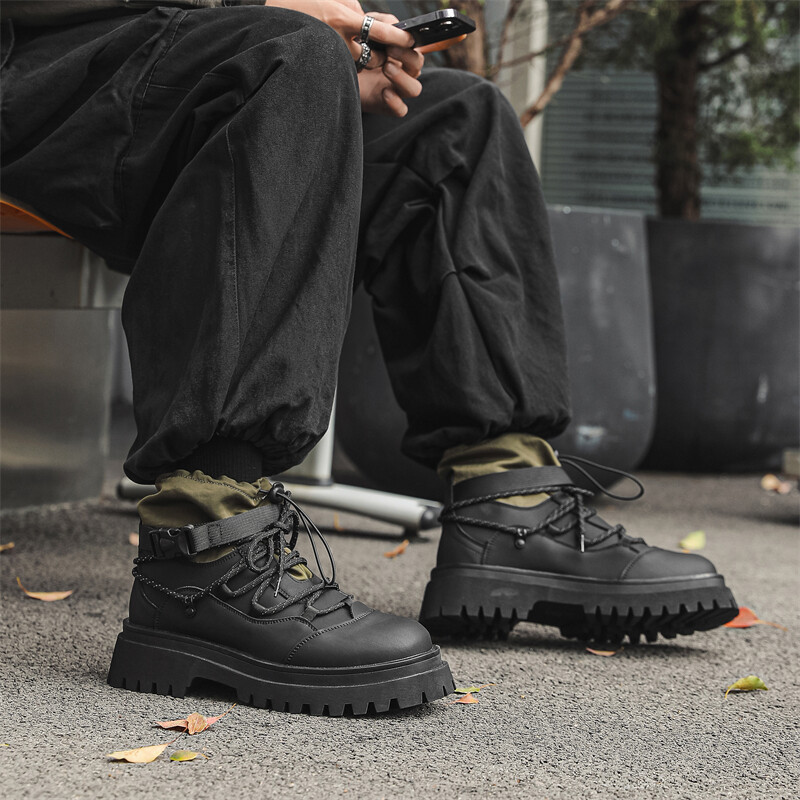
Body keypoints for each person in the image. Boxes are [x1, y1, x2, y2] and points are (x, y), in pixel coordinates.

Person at [0, 0, 738, 717]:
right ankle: (203, 550)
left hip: (161, 70)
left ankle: (509, 510)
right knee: (289, 54)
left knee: (454, 119)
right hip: (37, 68)